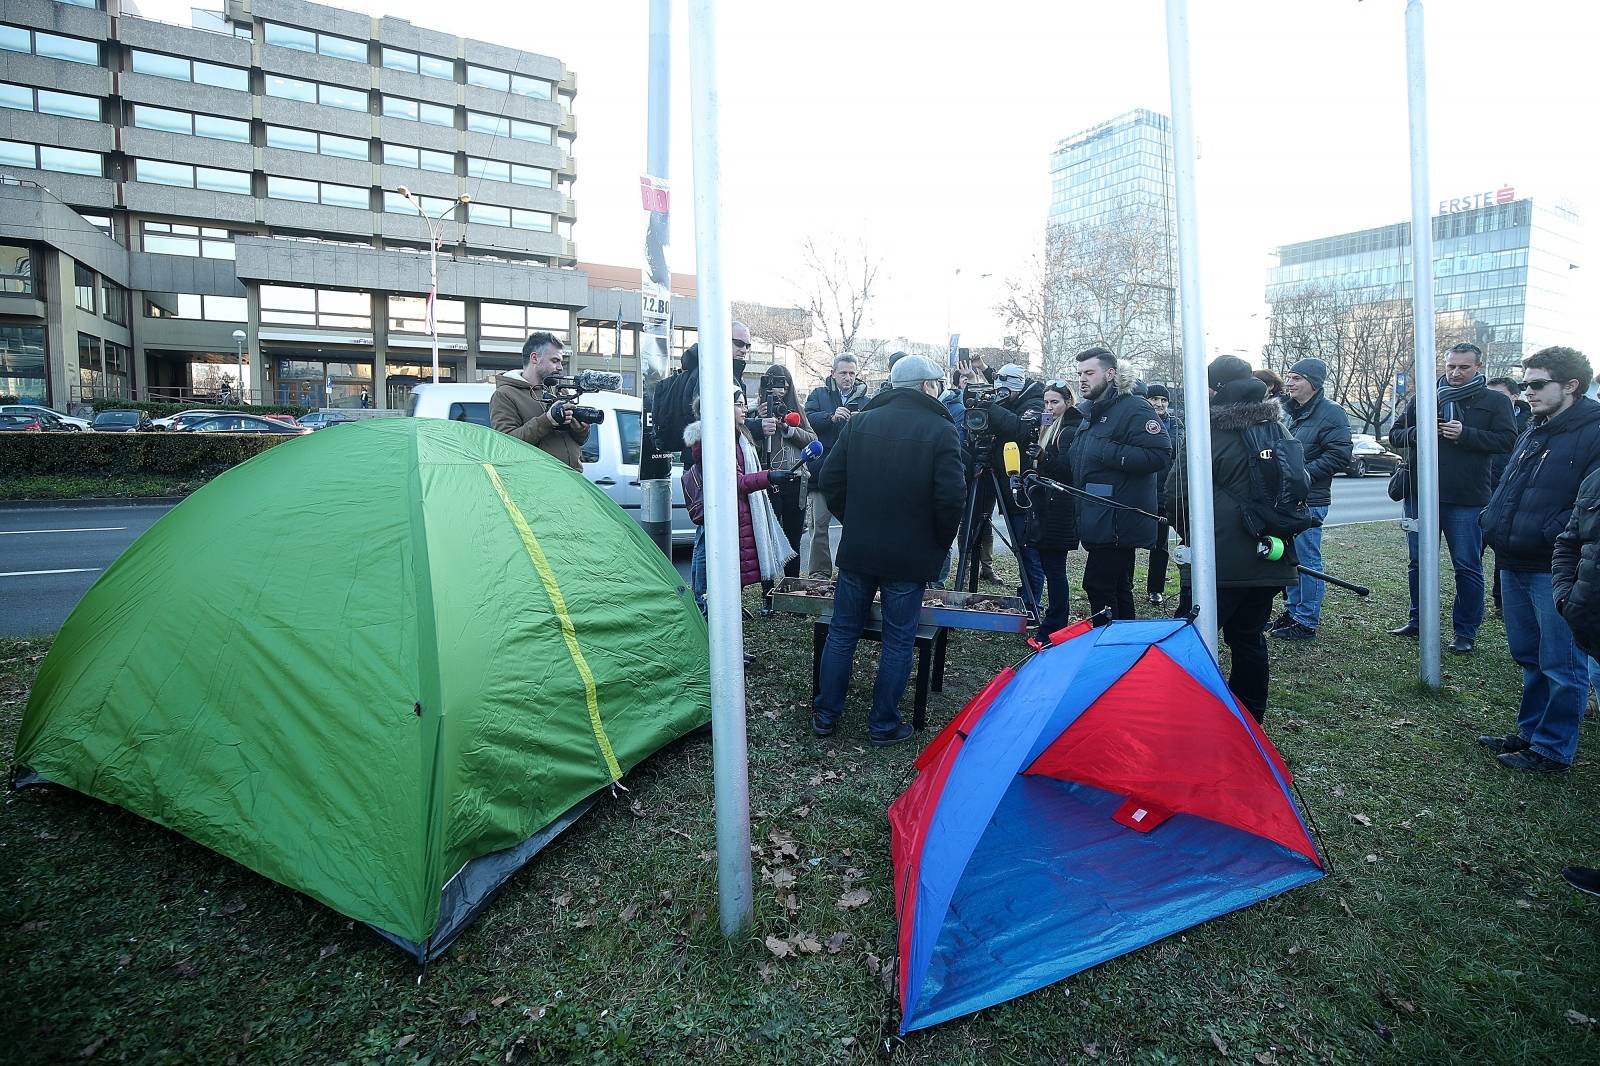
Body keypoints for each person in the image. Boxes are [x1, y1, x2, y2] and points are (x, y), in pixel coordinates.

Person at [813, 355, 965, 746]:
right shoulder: (941, 429)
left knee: (843, 632)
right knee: (899, 639)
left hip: (860, 549)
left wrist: (855, 521)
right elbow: (951, 500)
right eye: (936, 382)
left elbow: (832, 480)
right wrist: (935, 541)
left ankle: (825, 715)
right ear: (925, 386)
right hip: (909, 557)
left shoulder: (861, 422)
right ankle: (882, 725)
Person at [1478, 346, 1600, 773]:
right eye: (1525, 382)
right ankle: (1531, 732)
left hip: (1557, 566)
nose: (1526, 391)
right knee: (1529, 656)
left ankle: (1552, 749)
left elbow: (1590, 506)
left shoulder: (1594, 431)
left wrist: (1550, 532)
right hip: (1514, 558)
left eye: (1536, 384)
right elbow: (1512, 483)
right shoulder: (1535, 426)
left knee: (1563, 665)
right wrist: (1492, 518)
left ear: (1571, 386)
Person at [1168, 356, 1300, 723]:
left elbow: (1175, 494)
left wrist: (1194, 539)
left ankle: (1184, 714)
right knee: (1249, 637)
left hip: (1219, 561)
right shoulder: (1279, 429)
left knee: (1188, 637)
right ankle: (1248, 719)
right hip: (1272, 555)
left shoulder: (1207, 431)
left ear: (1215, 390)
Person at [1387, 343, 1516, 653]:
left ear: (1478, 368)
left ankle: (1465, 632)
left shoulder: (1495, 401)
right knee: (1418, 562)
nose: (1456, 373)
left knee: (1467, 565)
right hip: (1420, 495)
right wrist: (1421, 433)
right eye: (1451, 366)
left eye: (1464, 367)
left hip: (1466, 498)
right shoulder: (1425, 398)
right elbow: (1396, 435)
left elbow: (1508, 441)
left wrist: (1466, 434)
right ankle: (1419, 621)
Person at [1070, 346, 1171, 619]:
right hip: (1098, 512)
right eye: (1079, 373)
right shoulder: (1091, 410)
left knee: (1097, 584)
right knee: (1117, 585)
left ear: (1111, 373)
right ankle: (1125, 646)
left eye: (1089, 372)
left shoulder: (1134, 408)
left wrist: (1108, 452)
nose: (1082, 379)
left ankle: (1107, 647)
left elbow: (1160, 454)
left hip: (1118, 517)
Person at [681, 390, 795, 599]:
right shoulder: (717, 439)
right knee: (714, 575)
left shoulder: (738, 434)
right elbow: (733, 482)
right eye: (738, 404)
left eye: (744, 404)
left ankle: (722, 614)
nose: (744, 409)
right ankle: (706, 615)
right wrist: (769, 477)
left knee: (729, 574)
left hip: (736, 512)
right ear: (723, 406)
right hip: (723, 514)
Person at [1269, 358, 1352, 642]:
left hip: (1310, 498)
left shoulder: (1332, 413)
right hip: (1286, 498)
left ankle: (1306, 619)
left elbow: (1340, 455)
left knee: (1307, 558)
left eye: (1297, 378)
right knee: (1290, 558)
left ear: (1314, 383)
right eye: (1289, 377)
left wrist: (1301, 476)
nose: (1289, 383)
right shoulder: (1288, 412)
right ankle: (1293, 611)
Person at [746, 365, 818, 597]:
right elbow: (747, 445)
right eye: (777, 383)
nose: (782, 388)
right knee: (767, 539)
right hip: (767, 480)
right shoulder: (756, 412)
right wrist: (759, 421)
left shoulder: (797, 410)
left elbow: (812, 439)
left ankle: (791, 591)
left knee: (793, 538)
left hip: (795, 480)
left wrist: (788, 428)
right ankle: (768, 594)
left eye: (786, 383)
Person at [1021, 380, 1082, 635]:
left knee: (1055, 569)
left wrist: (1043, 458)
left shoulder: (1069, 430)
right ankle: (1054, 621)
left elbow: (1068, 472)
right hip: (1047, 505)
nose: (1049, 407)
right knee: (1050, 567)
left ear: (1068, 402)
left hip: (1060, 508)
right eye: (1046, 402)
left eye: (1055, 402)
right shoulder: (1049, 425)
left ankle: (1055, 624)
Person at [802, 353, 868, 577]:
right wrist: (830, 417)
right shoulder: (819, 394)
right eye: (843, 373)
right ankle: (819, 574)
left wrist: (862, 420)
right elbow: (806, 419)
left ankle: (849, 573)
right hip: (821, 474)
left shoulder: (867, 400)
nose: (848, 377)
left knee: (854, 528)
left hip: (854, 475)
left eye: (852, 373)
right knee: (818, 527)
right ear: (833, 373)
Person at [490, 331, 589, 472]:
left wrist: (581, 430)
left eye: (561, 361)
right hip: (538, 484)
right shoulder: (505, 395)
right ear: (535, 358)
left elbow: (579, 441)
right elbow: (506, 445)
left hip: (572, 479)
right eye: (555, 361)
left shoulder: (560, 391)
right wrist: (547, 420)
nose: (560, 367)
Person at [1485, 375, 1532, 615]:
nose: (1493, 400)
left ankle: (1502, 600)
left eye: (1499, 395)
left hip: (1509, 494)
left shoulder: (1530, 423)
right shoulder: (1483, 417)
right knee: (1475, 550)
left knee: (1503, 550)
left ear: (1515, 397)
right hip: (1482, 491)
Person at [1142, 383, 1181, 607]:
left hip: (1162, 491)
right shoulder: (1136, 419)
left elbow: (1173, 448)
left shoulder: (1175, 424)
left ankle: (1155, 588)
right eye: (1154, 399)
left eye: (1163, 400)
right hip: (1139, 491)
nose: (1159, 404)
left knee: (1160, 544)